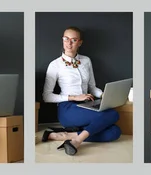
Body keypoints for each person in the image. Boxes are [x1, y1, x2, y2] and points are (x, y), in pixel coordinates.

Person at [40, 26, 121, 156]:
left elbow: (92, 87)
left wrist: (104, 95)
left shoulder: (86, 61)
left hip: (87, 105)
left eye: (73, 40)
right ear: (62, 40)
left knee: (115, 132)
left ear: (80, 43)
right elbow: (47, 96)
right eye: (66, 39)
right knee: (113, 115)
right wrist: (73, 97)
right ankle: (76, 141)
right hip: (67, 109)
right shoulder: (55, 65)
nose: (69, 43)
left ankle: (63, 136)